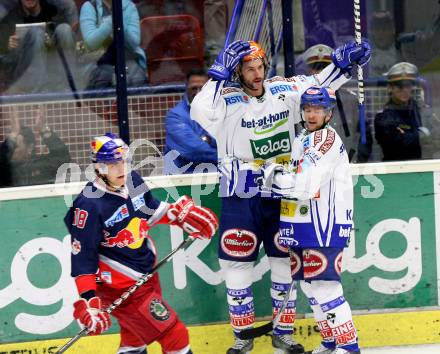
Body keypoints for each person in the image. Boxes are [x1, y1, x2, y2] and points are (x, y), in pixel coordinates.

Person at [190, 39, 370, 354]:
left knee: (284, 263)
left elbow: (318, 88)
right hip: (241, 192)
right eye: (249, 69)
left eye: (260, 67)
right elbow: (200, 112)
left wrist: (343, 63)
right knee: (237, 265)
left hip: (281, 192)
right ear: (238, 73)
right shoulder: (226, 98)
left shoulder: (281, 90)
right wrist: (217, 75)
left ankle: (283, 334)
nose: (257, 75)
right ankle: (242, 337)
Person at [64, 133, 219, 354]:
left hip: (146, 275)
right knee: (175, 335)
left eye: (124, 161)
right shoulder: (88, 206)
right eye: (112, 164)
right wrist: (89, 300)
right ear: (98, 167)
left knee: (134, 339)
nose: (121, 168)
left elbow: (150, 210)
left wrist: (177, 215)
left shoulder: (133, 180)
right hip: (121, 287)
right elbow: (83, 260)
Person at [259, 87, 360, 354]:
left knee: (326, 287)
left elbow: (304, 186)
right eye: (307, 109)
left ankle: (349, 348)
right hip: (303, 226)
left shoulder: (326, 139)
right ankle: (330, 343)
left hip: (323, 224)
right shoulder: (303, 138)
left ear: (328, 114)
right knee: (311, 286)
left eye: (317, 109)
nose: (311, 114)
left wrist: (271, 175)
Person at [300, 43, 372, 163]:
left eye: (325, 67)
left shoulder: (352, 101)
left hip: (348, 170)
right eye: (316, 67)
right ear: (309, 70)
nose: (321, 72)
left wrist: (356, 163)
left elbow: (364, 138)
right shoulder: (299, 103)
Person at [0, 0, 78, 93]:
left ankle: (69, 87)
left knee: (64, 29)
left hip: (54, 67)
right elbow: (6, 61)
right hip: (26, 74)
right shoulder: (11, 19)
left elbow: (71, 39)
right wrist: (10, 47)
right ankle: (38, 92)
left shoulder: (54, 12)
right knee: (36, 33)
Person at [79, 0, 147, 90]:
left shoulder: (129, 6)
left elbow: (134, 43)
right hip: (98, 63)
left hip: (127, 59)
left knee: (136, 77)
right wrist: (110, 22)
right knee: (104, 76)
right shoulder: (89, 7)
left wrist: (119, 22)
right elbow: (90, 43)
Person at [0, 105, 71, 187]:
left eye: (14, 146)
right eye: (10, 144)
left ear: (29, 148)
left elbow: (63, 158)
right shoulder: (5, 169)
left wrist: (43, 129)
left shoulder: (42, 165)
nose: (11, 149)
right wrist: (12, 136)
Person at [164, 68, 217, 174]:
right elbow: (195, 151)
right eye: (193, 88)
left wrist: (208, 140)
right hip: (183, 183)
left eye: (201, 89)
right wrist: (228, 158)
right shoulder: (175, 116)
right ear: (186, 88)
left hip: (216, 178)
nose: (197, 92)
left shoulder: (219, 112)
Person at [374, 62, 429, 161]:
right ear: (390, 88)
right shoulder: (383, 117)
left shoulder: (414, 108)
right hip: (394, 169)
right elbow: (398, 144)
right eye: (400, 86)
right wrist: (419, 135)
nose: (405, 90)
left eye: (408, 85)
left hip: (419, 166)